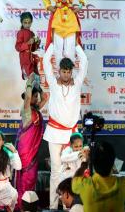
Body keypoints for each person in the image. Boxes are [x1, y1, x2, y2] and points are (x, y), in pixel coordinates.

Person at [42, 42, 88, 209]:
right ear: (59, 71)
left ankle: (72, 206)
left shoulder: (77, 84)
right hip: (54, 133)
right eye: (64, 71)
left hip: (72, 135)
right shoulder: (53, 84)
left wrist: (75, 45)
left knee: (73, 171)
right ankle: (53, 207)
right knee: (55, 170)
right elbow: (46, 61)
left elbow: (84, 62)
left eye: (69, 72)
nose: (66, 75)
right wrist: (52, 43)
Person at [15, 73, 47, 209]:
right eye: (35, 96)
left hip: (32, 153)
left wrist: (38, 87)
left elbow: (46, 97)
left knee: (31, 179)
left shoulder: (36, 109)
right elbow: (28, 97)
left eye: (36, 96)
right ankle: (23, 206)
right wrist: (29, 82)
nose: (37, 98)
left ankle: (29, 205)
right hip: (25, 152)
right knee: (25, 180)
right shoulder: (26, 110)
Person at [72, 141, 125, 212]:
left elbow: (74, 180)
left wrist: (85, 163)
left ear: (93, 161)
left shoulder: (85, 185)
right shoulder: (123, 183)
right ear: (113, 161)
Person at [15, 12, 41, 81]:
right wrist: (28, 43)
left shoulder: (32, 33)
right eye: (25, 22)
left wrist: (37, 43)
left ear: (31, 22)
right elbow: (18, 47)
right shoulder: (21, 32)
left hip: (31, 60)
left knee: (36, 80)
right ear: (22, 23)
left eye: (29, 22)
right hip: (25, 60)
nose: (27, 25)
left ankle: (32, 91)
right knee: (31, 79)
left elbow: (32, 49)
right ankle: (28, 91)